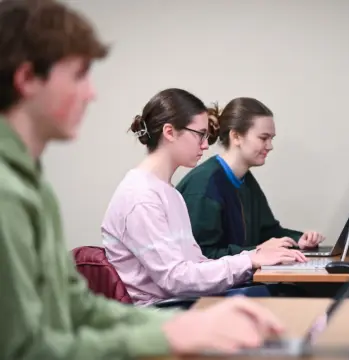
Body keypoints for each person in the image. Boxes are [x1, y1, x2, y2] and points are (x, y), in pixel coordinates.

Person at [0, 1, 287, 358]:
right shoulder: (10, 193)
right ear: (27, 79)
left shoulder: (34, 186)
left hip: (171, 309)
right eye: (78, 75)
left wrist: (181, 328)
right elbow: (28, 348)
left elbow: (81, 309)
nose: (92, 93)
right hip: (165, 304)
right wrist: (171, 334)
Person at [101, 88, 306, 305]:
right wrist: (249, 259)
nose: (206, 145)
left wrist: (252, 259)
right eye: (200, 134)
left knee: (288, 293)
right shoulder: (141, 197)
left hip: (183, 300)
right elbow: (175, 279)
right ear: (169, 132)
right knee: (284, 300)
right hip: (161, 311)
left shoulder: (167, 192)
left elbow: (195, 264)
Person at [176, 97, 326, 259]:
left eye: (271, 139)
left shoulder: (245, 179)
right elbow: (201, 256)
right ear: (236, 137)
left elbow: (268, 232)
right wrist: (257, 252)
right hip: (219, 283)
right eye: (263, 138)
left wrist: (299, 240)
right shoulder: (204, 185)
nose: (270, 146)